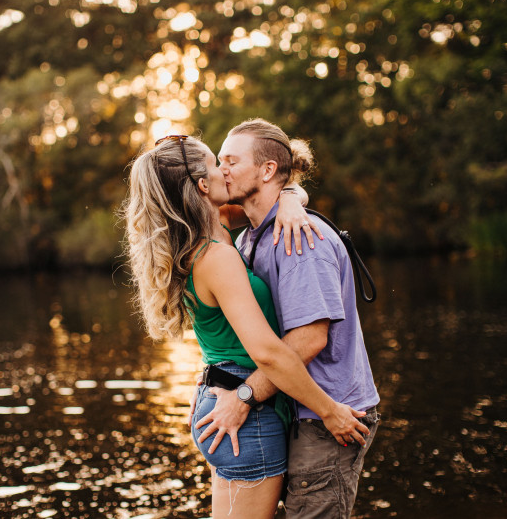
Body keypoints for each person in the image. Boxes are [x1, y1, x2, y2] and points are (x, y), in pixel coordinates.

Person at [123, 134, 370, 519]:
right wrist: (329, 410)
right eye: (215, 163)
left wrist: (289, 198)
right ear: (204, 185)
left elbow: (269, 196)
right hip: (244, 406)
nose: (224, 169)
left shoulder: (212, 227)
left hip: (220, 391)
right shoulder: (216, 256)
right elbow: (268, 353)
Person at [196, 118, 381, 519]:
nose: (220, 170)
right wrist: (293, 195)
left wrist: (244, 396)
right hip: (292, 407)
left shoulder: (300, 240)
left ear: (266, 171)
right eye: (218, 161)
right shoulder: (249, 234)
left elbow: (309, 340)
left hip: (329, 415)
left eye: (230, 161)